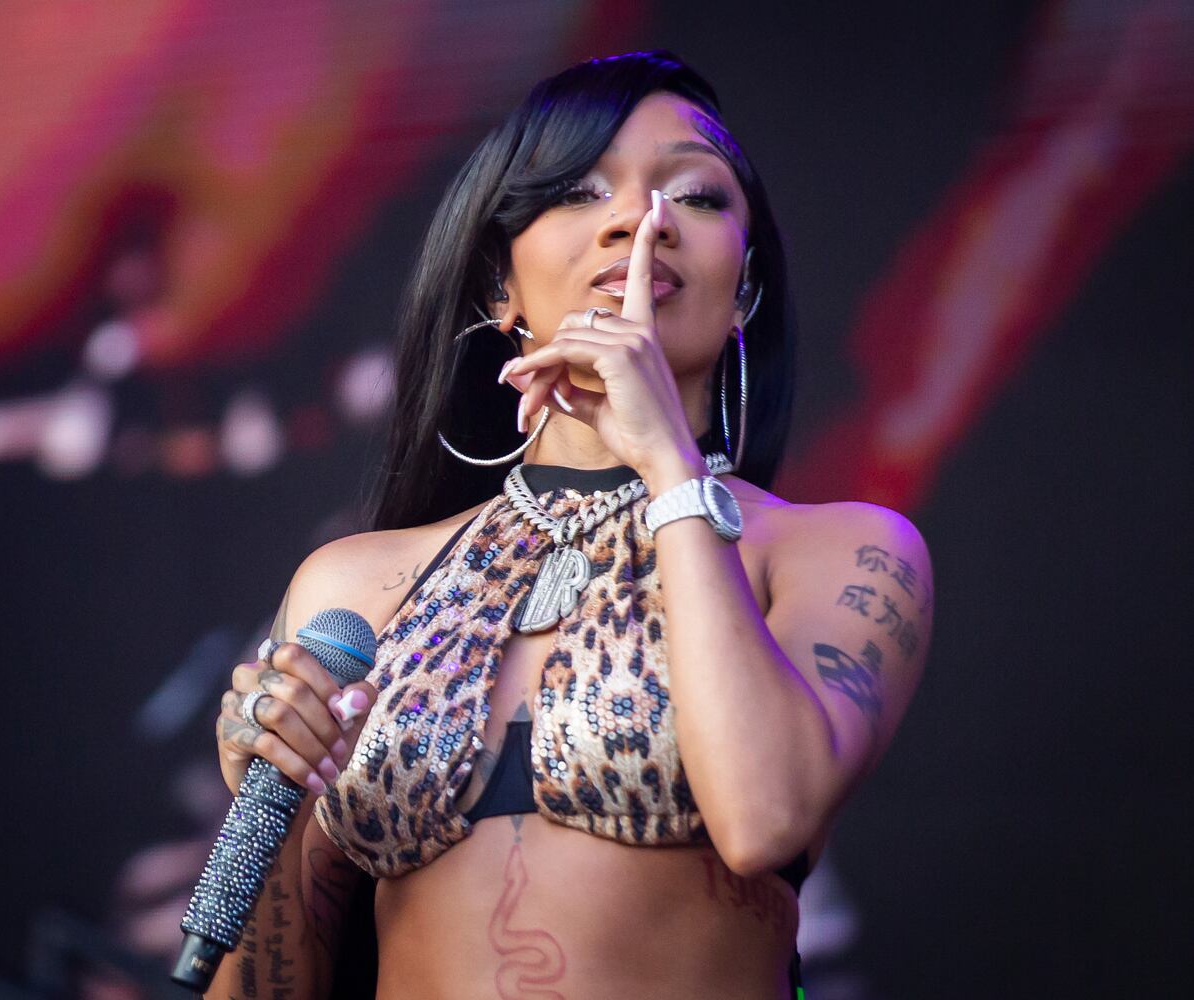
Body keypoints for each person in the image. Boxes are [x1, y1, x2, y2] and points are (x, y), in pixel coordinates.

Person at [208, 50, 933, 1000]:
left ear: (745, 290)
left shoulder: (841, 554)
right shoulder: (353, 585)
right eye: (578, 191)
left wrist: (666, 463)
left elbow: (764, 820)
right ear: (498, 288)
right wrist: (267, 796)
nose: (640, 218)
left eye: (695, 196)